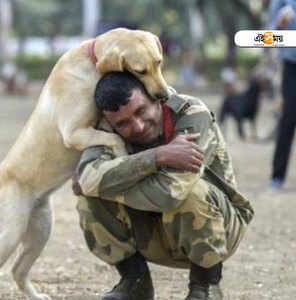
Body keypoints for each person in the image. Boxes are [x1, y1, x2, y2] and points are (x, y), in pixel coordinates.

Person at [72, 72, 254, 300]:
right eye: (123, 123)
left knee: (191, 193)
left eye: (140, 111)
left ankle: (205, 287)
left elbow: (170, 194)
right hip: (153, 233)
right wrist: (157, 156)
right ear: (111, 122)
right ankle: (135, 283)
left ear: (156, 97)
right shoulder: (106, 127)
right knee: (89, 200)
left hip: (219, 231)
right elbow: (87, 178)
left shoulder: (191, 114)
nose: (137, 126)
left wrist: (106, 183)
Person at [267, 0, 296, 191]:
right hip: (292, 65)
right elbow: (268, 37)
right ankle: (277, 177)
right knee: (289, 118)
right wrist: (279, 25)